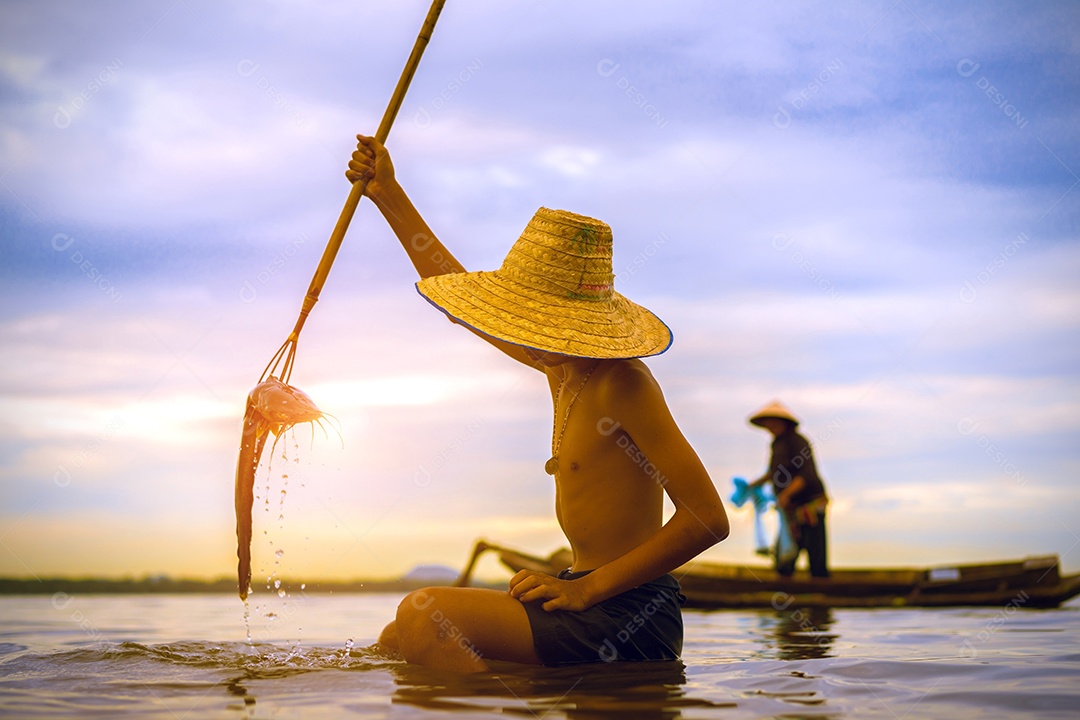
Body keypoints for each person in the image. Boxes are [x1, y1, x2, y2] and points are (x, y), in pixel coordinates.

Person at [346, 135, 729, 672]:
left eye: (534, 319)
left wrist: (586, 591)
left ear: (574, 323)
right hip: (583, 593)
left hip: (630, 614)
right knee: (395, 638)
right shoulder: (560, 368)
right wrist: (388, 194)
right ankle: (520, 698)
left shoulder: (624, 385)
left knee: (423, 612)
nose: (521, 334)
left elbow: (707, 520)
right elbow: (450, 292)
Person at [747, 401, 829, 578]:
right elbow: (774, 472)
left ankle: (818, 585)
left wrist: (786, 494)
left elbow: (806, 475)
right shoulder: (777, 444)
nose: (770, 426)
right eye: (768, 422)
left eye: (774, 422)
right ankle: (785, 581)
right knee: (785, 556)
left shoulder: (798, 441)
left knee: (815, 550)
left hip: (810, 505)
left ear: (784, 422)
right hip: (791, 508)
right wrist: (755, 484)